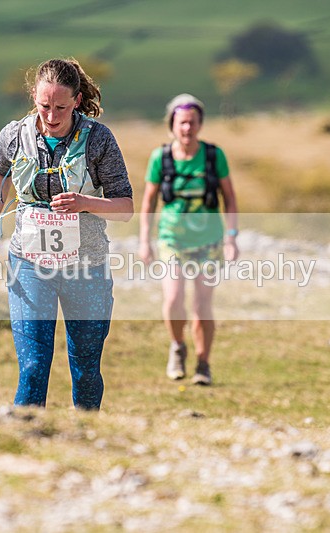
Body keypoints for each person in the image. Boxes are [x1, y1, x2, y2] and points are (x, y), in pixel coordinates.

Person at [0, 58, 133, 410]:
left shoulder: (99, 140)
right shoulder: (14, 135)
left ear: (77, 100)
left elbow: (125, 208)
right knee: (32, 367)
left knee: (87, 369)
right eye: (44, 105)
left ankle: (86, 438)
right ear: (33, 96)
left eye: (61, 106)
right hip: (29, 265)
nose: (51, 115)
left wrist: (84, 202)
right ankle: (24, 442)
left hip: (86, 268)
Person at [139, 93, 239, 386]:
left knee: (202, 305)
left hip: (209, 241)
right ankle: (177, 347)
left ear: (200, 124)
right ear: (172, 124)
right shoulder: (161, 158)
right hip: (172, 240)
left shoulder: (213, 156)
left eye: (192, 122)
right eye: (182, 123)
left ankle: (203, 363)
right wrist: (144, 241)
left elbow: (230, 199)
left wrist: (232, 238)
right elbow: (148, 203)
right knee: (172, 299)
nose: (187, 128)